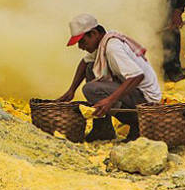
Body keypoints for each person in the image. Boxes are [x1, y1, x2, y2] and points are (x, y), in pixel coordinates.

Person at [57, 13, 162, 142]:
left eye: (82, 42)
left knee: (90, 89)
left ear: (94, 33)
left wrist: (110, 101)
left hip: (146, 100)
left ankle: (138, 126)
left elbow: (137, 76)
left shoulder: (112, 48)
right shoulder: (103, 42)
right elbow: (84, 63)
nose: (81, 47)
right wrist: (71, 90)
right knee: (91, 68)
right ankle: (102, 128)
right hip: (135, 93)